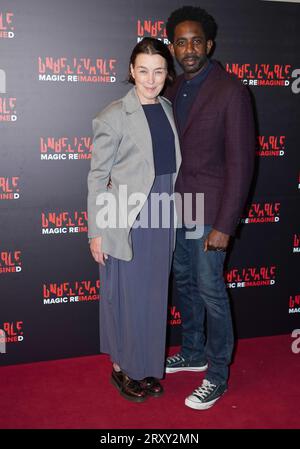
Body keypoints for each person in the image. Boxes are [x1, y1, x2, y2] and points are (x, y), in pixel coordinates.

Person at [164, 6, 255, 410]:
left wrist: (224, 225)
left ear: (210, 44)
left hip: (211, 212)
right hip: (178, 208)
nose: (189, 48)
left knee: (210, 290)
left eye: (196, 40)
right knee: (183, 283)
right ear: (172, 46)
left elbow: (241, 164)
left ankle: (216, 374)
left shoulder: (231, 90)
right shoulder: (171, 88)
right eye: (181, 41)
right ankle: (194, 350)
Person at [87, 37, 181, 403]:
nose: (151, 78)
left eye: (158, 71)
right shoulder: (112, 115)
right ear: (131, 71)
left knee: (153, 297)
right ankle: (121, 369)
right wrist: (96, 231)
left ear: (166, 73)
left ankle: (143, 365)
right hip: (125, 215)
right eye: (143, 70)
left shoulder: (169, 109)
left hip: (163, 212)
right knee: (125, 296)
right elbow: (97, 177)